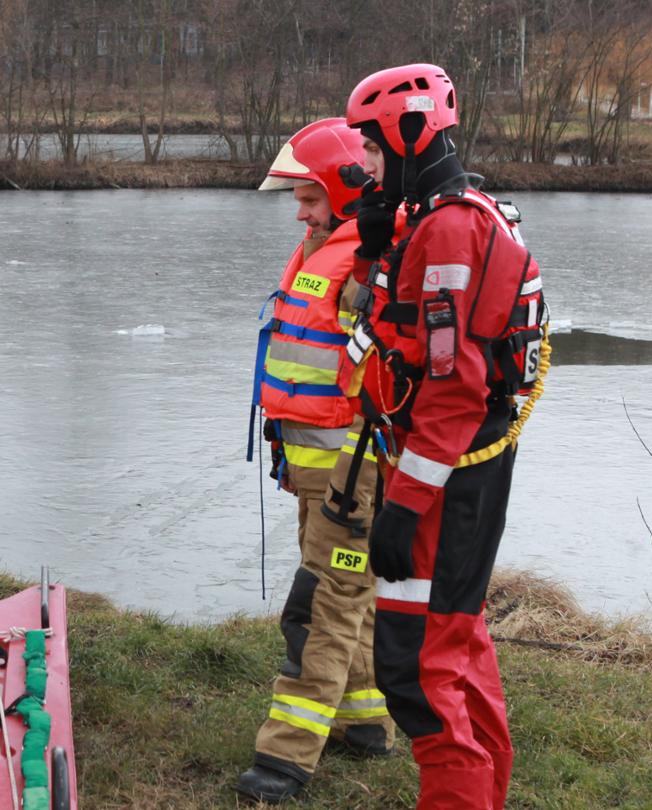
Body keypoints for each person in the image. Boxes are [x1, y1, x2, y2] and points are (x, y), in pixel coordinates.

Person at [344, 64, 549, 810]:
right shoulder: (441, 214)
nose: (363, 160)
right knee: (457, 649)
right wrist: (373, 240)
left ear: (406, 132)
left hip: (447, 475)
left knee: (420, 673)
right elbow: (384, 326)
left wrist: (402, 505)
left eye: (369, 145)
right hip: (457, 468)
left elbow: (453, 386)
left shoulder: (451, 227)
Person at [236, 117, 398, 803]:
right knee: (347, 598)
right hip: (313, 469)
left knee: (321, 608)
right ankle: (365, 725)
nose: (298, 209)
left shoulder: (366, 264)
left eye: (307, 196)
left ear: (343, 187)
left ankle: (286, 758)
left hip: (352, 472)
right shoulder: (321, 246)